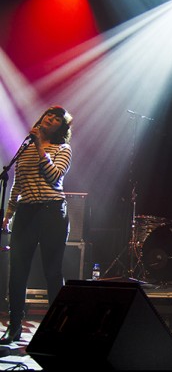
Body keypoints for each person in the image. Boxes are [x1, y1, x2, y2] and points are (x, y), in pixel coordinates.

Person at [0, 105, 73, 344]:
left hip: (52, 212)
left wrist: (41, 146)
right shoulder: (25, 149)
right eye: (48, 115)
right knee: (18, 271)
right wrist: (9, 213)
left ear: (61, 128)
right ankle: (15, 326)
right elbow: (17, 185)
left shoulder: (63, 149)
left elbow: (54, 177)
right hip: (26, 212)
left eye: (56, 119)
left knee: (52, 271)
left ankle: (57, 327)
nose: (50, 119)